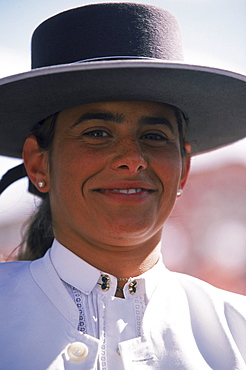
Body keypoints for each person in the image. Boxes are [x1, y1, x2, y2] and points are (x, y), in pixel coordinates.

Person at [0, 3, 246, 369]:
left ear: (183, 170)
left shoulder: (235, 330)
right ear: (39, 163)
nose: (132, 158)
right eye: (97, 133)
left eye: (154, 135)